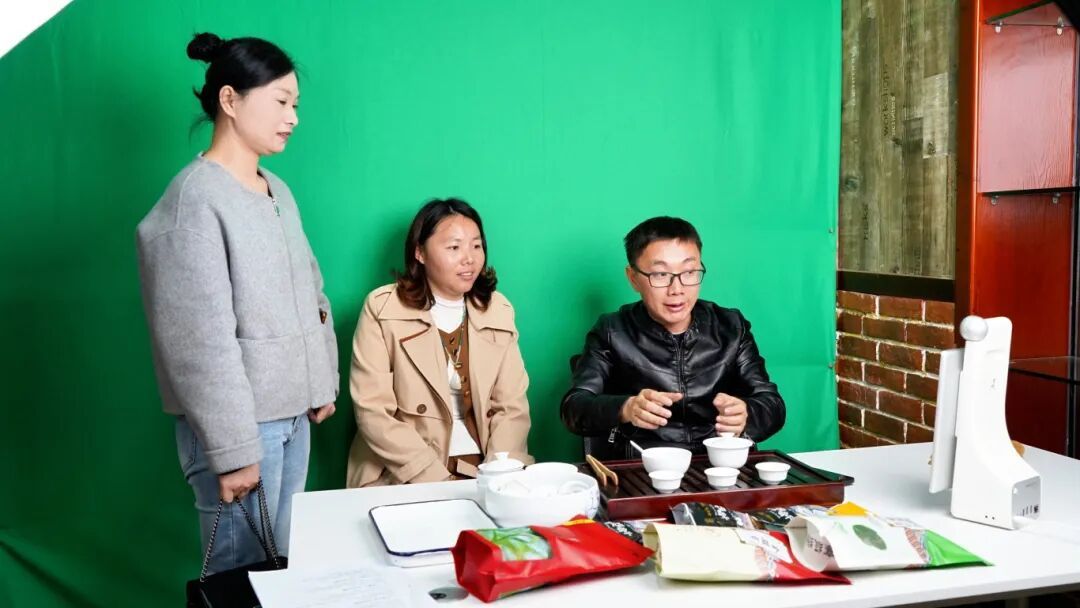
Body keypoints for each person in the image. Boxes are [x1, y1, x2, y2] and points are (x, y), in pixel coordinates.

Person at [136, 33, 337, 573]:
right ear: (230, 99)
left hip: (292, 417)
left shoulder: (276, 188)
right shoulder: (194, 201)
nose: (293, 117)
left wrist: (319, 381)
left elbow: (310, 288)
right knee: (237, 584)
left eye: (295, 104)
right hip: (243, 429)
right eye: (281, 101)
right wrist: (233, 451)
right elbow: (197, 344)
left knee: (282, 572)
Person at [561, 216, 785, 458]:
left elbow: (772, 403)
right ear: (633, 278)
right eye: (660, 274)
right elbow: (574, 407)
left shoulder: (731, 327)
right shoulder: (612, 330)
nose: (677, 289)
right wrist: (626, 407)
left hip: (720, 464)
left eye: (689, 272)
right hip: (644, 466)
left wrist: (747, 413)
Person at [347, 198, 532, 487]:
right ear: (420, 252)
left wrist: (499, 473)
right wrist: (435, 479)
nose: (469, 258)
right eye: (454, 247)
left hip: (484, 464)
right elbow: (373, 411)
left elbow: (512, 406)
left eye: (476, 246)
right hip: (404, 470)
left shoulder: (497, 309)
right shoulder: (382, 308)